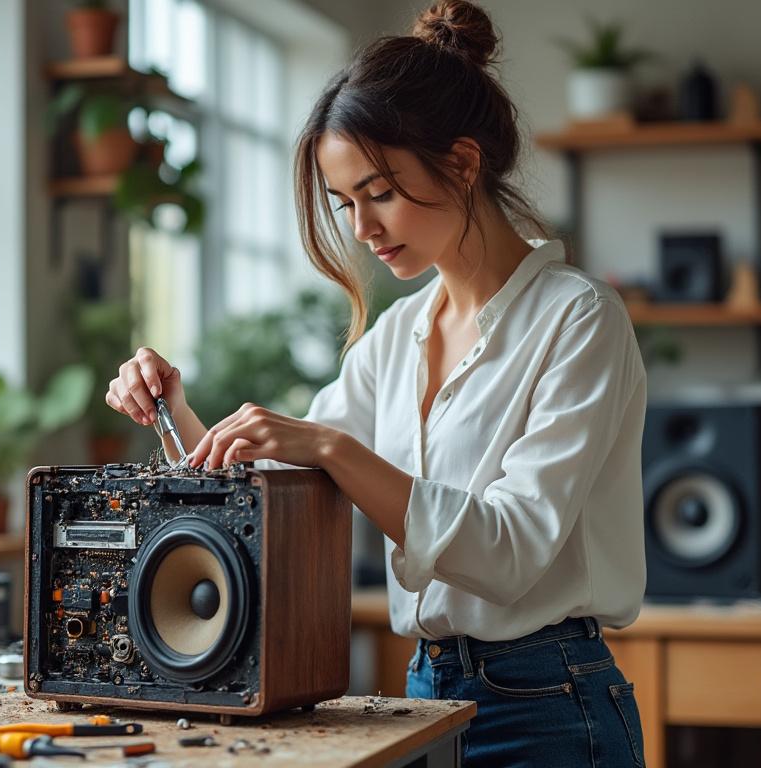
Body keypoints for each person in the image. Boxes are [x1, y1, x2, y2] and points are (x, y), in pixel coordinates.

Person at [104, 1, 647, 764]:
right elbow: (268, 500)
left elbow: (511, 550)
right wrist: (175, 410)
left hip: (552, 706)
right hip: (423, 692)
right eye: (345, 203)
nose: (361, 229)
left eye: (380, 192)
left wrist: (328, 444)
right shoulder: (396, 338)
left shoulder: (580, 320)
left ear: (462, 163)